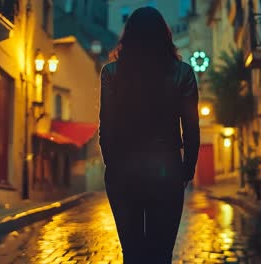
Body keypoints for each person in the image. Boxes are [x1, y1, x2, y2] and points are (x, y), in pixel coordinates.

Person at [99, 6, 200, 264]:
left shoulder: (111, 73)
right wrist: (186, 170)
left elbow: (106, 128)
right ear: (164, 36)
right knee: (161, 254)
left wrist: (113, 166)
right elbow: (191, 128)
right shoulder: (183, 73)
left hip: (123, 169)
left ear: (128, 37)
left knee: (132, 253)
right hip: (167, 169)